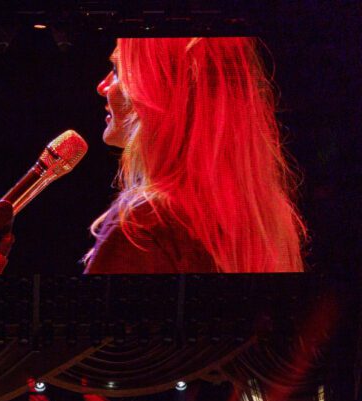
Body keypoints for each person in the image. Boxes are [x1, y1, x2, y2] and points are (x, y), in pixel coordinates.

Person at [83, 38, 306, 273]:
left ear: (159, 88)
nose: (102, 86)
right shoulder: (264, 224)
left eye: (117, 70)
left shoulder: (145, 223)